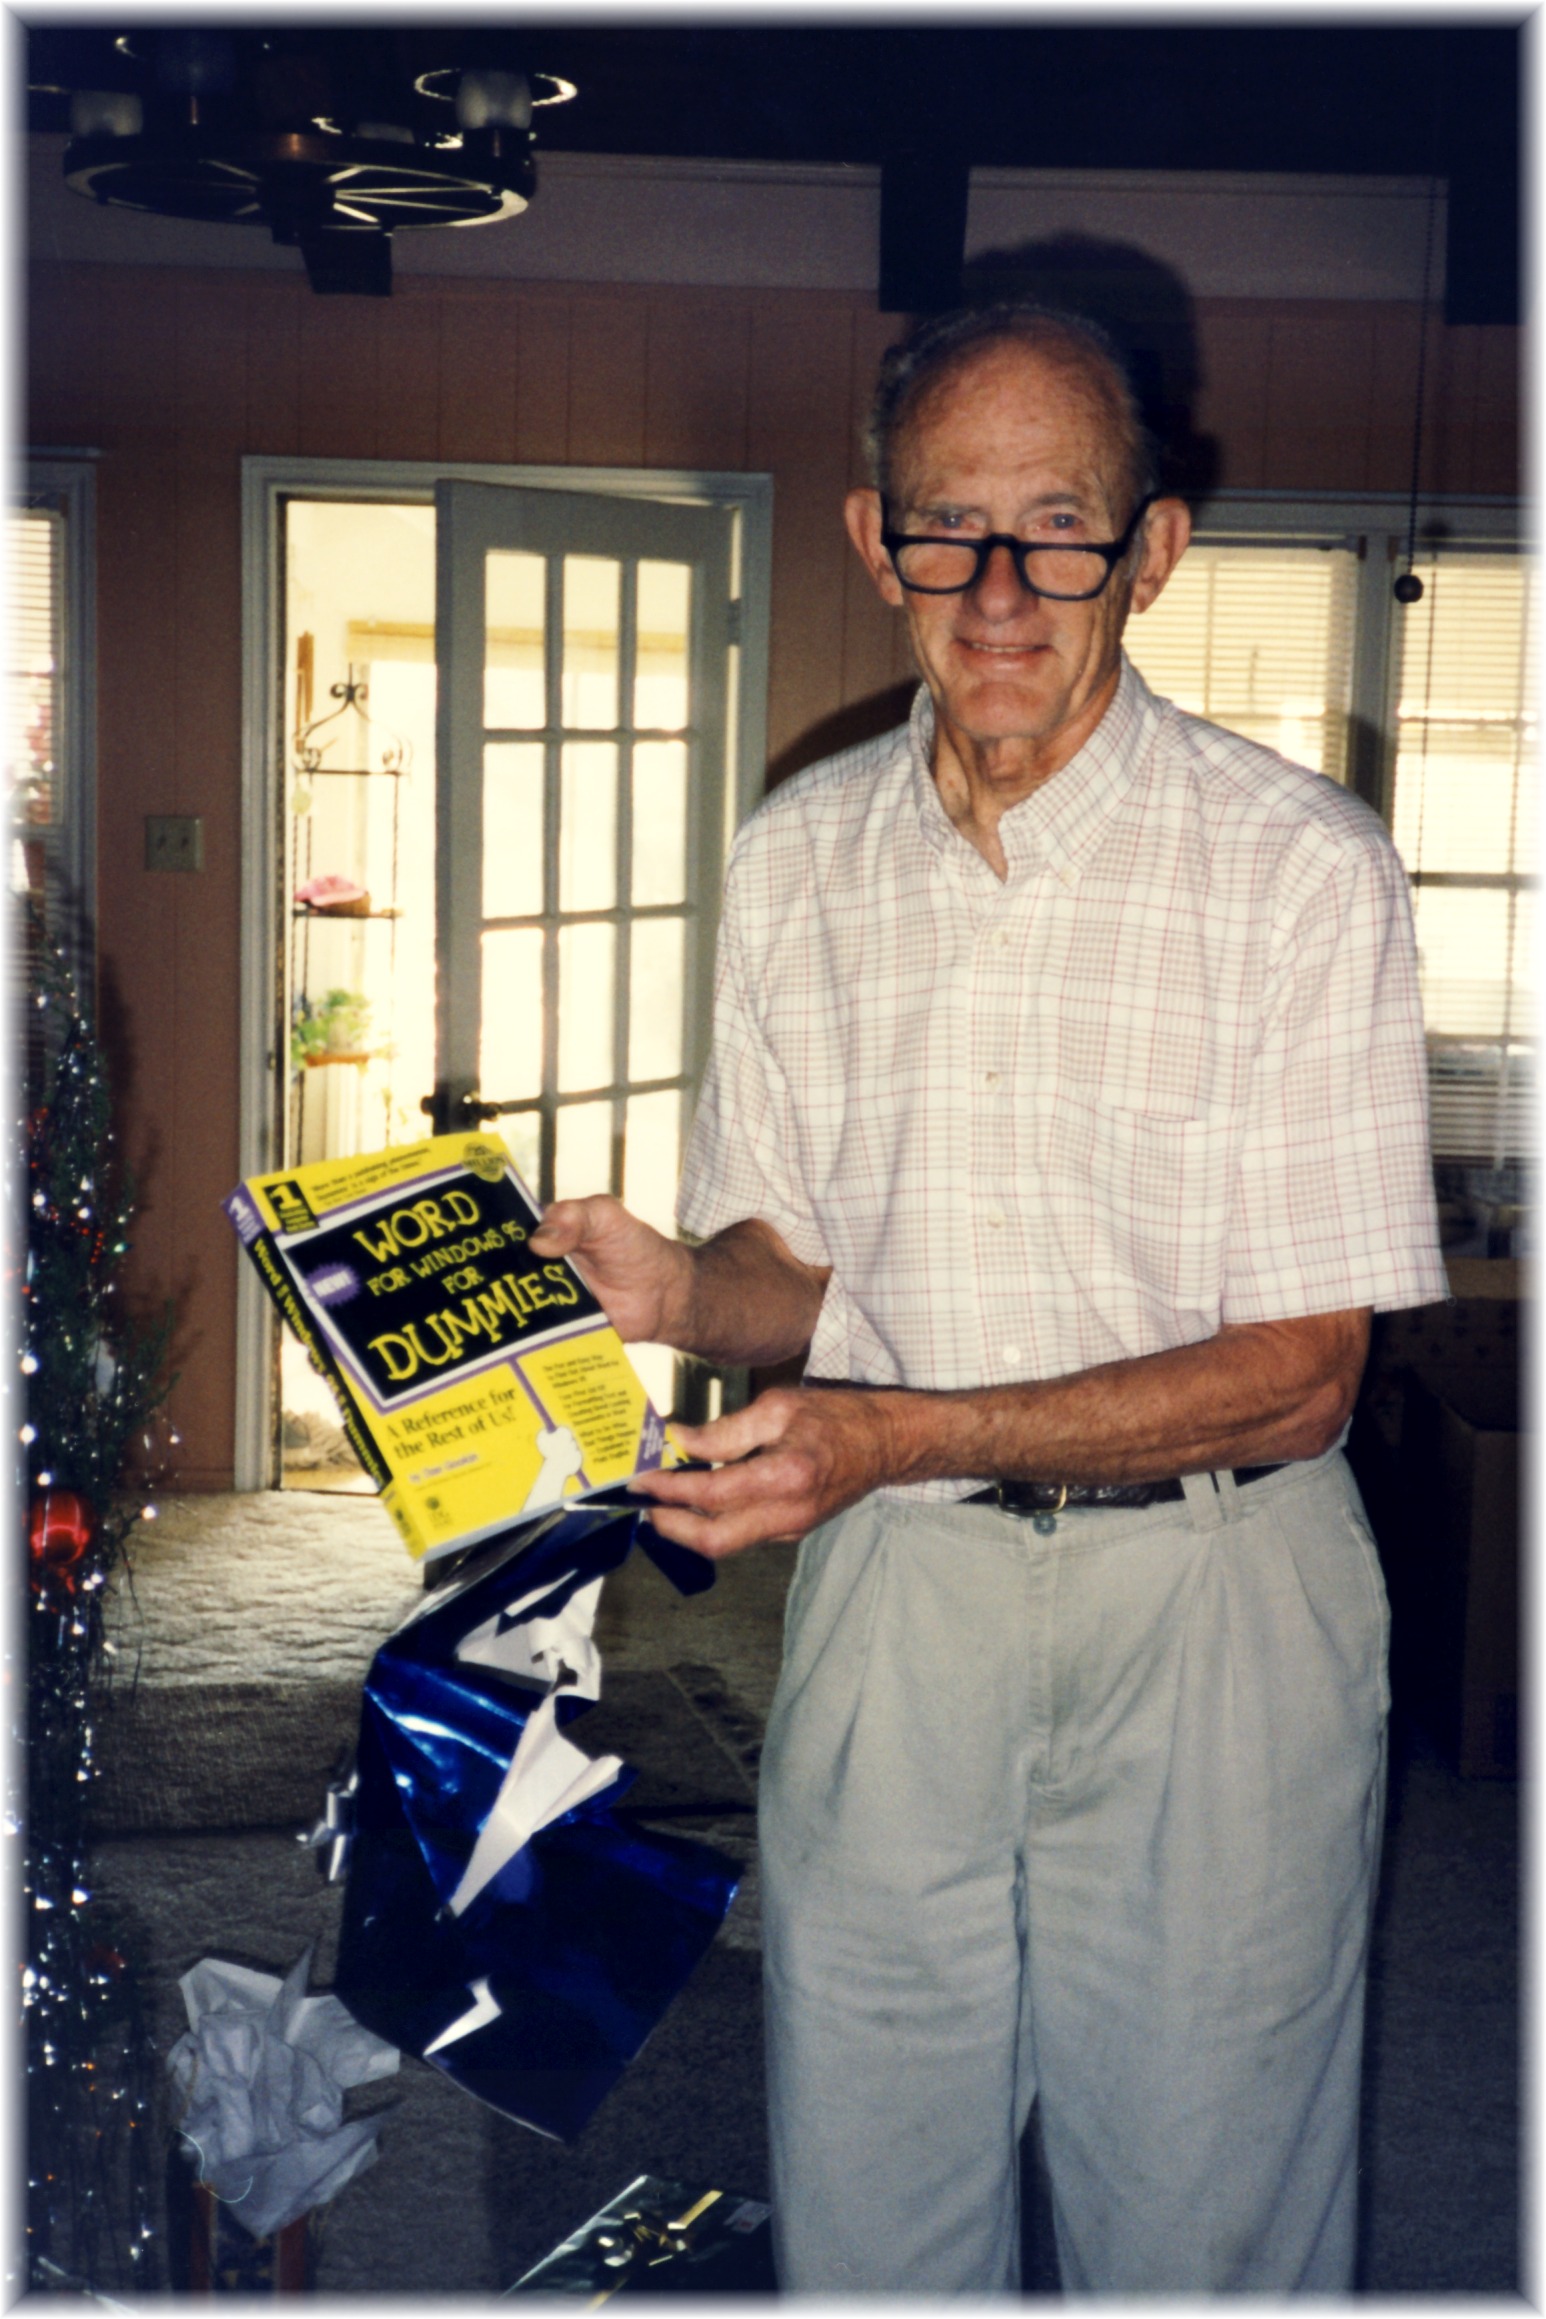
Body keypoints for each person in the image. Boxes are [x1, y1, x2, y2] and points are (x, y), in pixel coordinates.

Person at [531, 301, 1446, 2294]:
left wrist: (889, 1432)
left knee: (1202, 2230)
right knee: (871, 2208)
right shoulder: (797, 855)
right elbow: (793, 1271)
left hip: (1220, 1609)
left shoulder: (1299, 870)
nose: (1003, 588)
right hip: (901, 1601)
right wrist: (678, 1283)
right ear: (876, 539)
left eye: (1059, 527)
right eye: (951, 525)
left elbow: (1299, 1378)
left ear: (1152, 548)